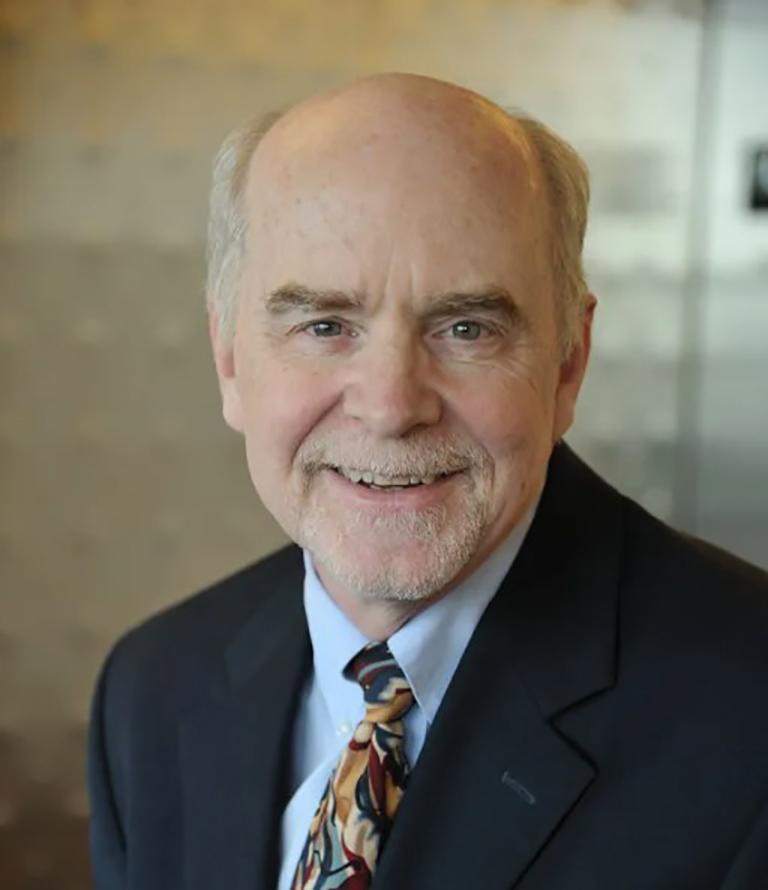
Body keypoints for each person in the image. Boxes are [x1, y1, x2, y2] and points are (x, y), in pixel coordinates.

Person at [88, 73, 768, 890]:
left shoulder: (748, 717)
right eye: (324, 325)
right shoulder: (155, 689)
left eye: (466, 327)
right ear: (229, 360)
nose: (390, 406)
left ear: (567, 364)